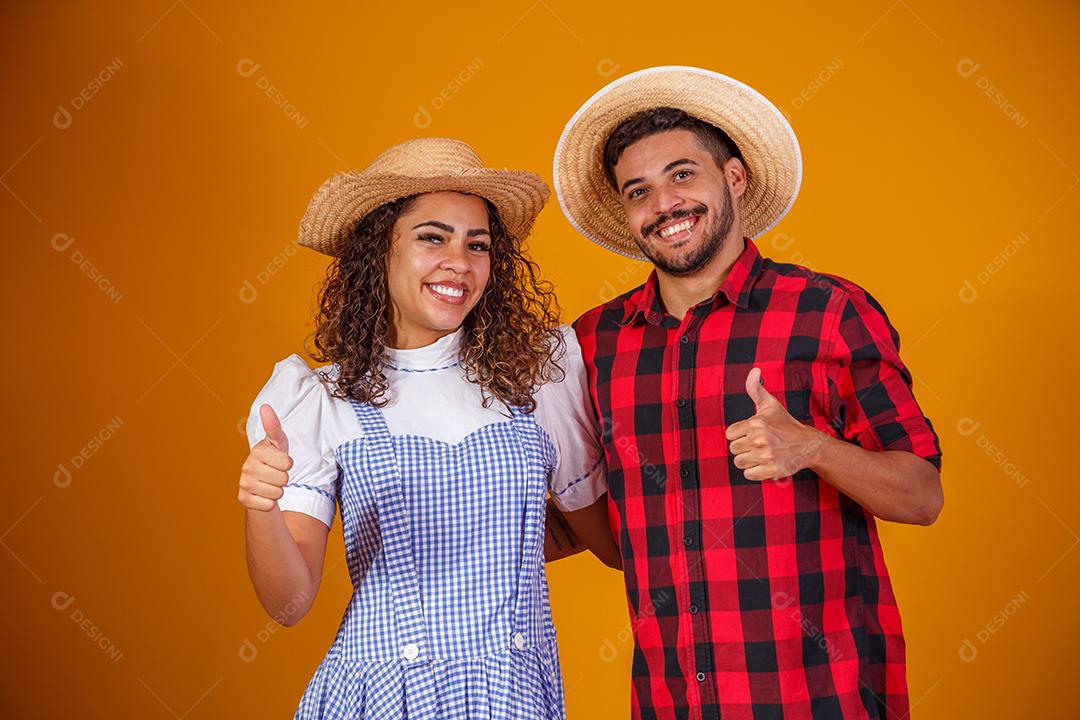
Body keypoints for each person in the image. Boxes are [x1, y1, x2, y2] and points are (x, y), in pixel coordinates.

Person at [553, 66, 944, 720]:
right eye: (638, 190)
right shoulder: (595, 345)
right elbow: (602, 521)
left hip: (821, 700)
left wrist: (812, 448)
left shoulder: (827, 312)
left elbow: (922, 495)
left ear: (734, 177)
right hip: (672, 701)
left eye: (683, 174)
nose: (665, 205)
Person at [237, 137, 619, 719]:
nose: (459, 263)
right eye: (432, 237)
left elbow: (611, 546)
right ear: (379, 251)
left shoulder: (540, 377)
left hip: (513, 697)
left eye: (477, 244)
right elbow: (289, 603)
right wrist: (260, 505)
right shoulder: (320, 399)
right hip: (380, 699)